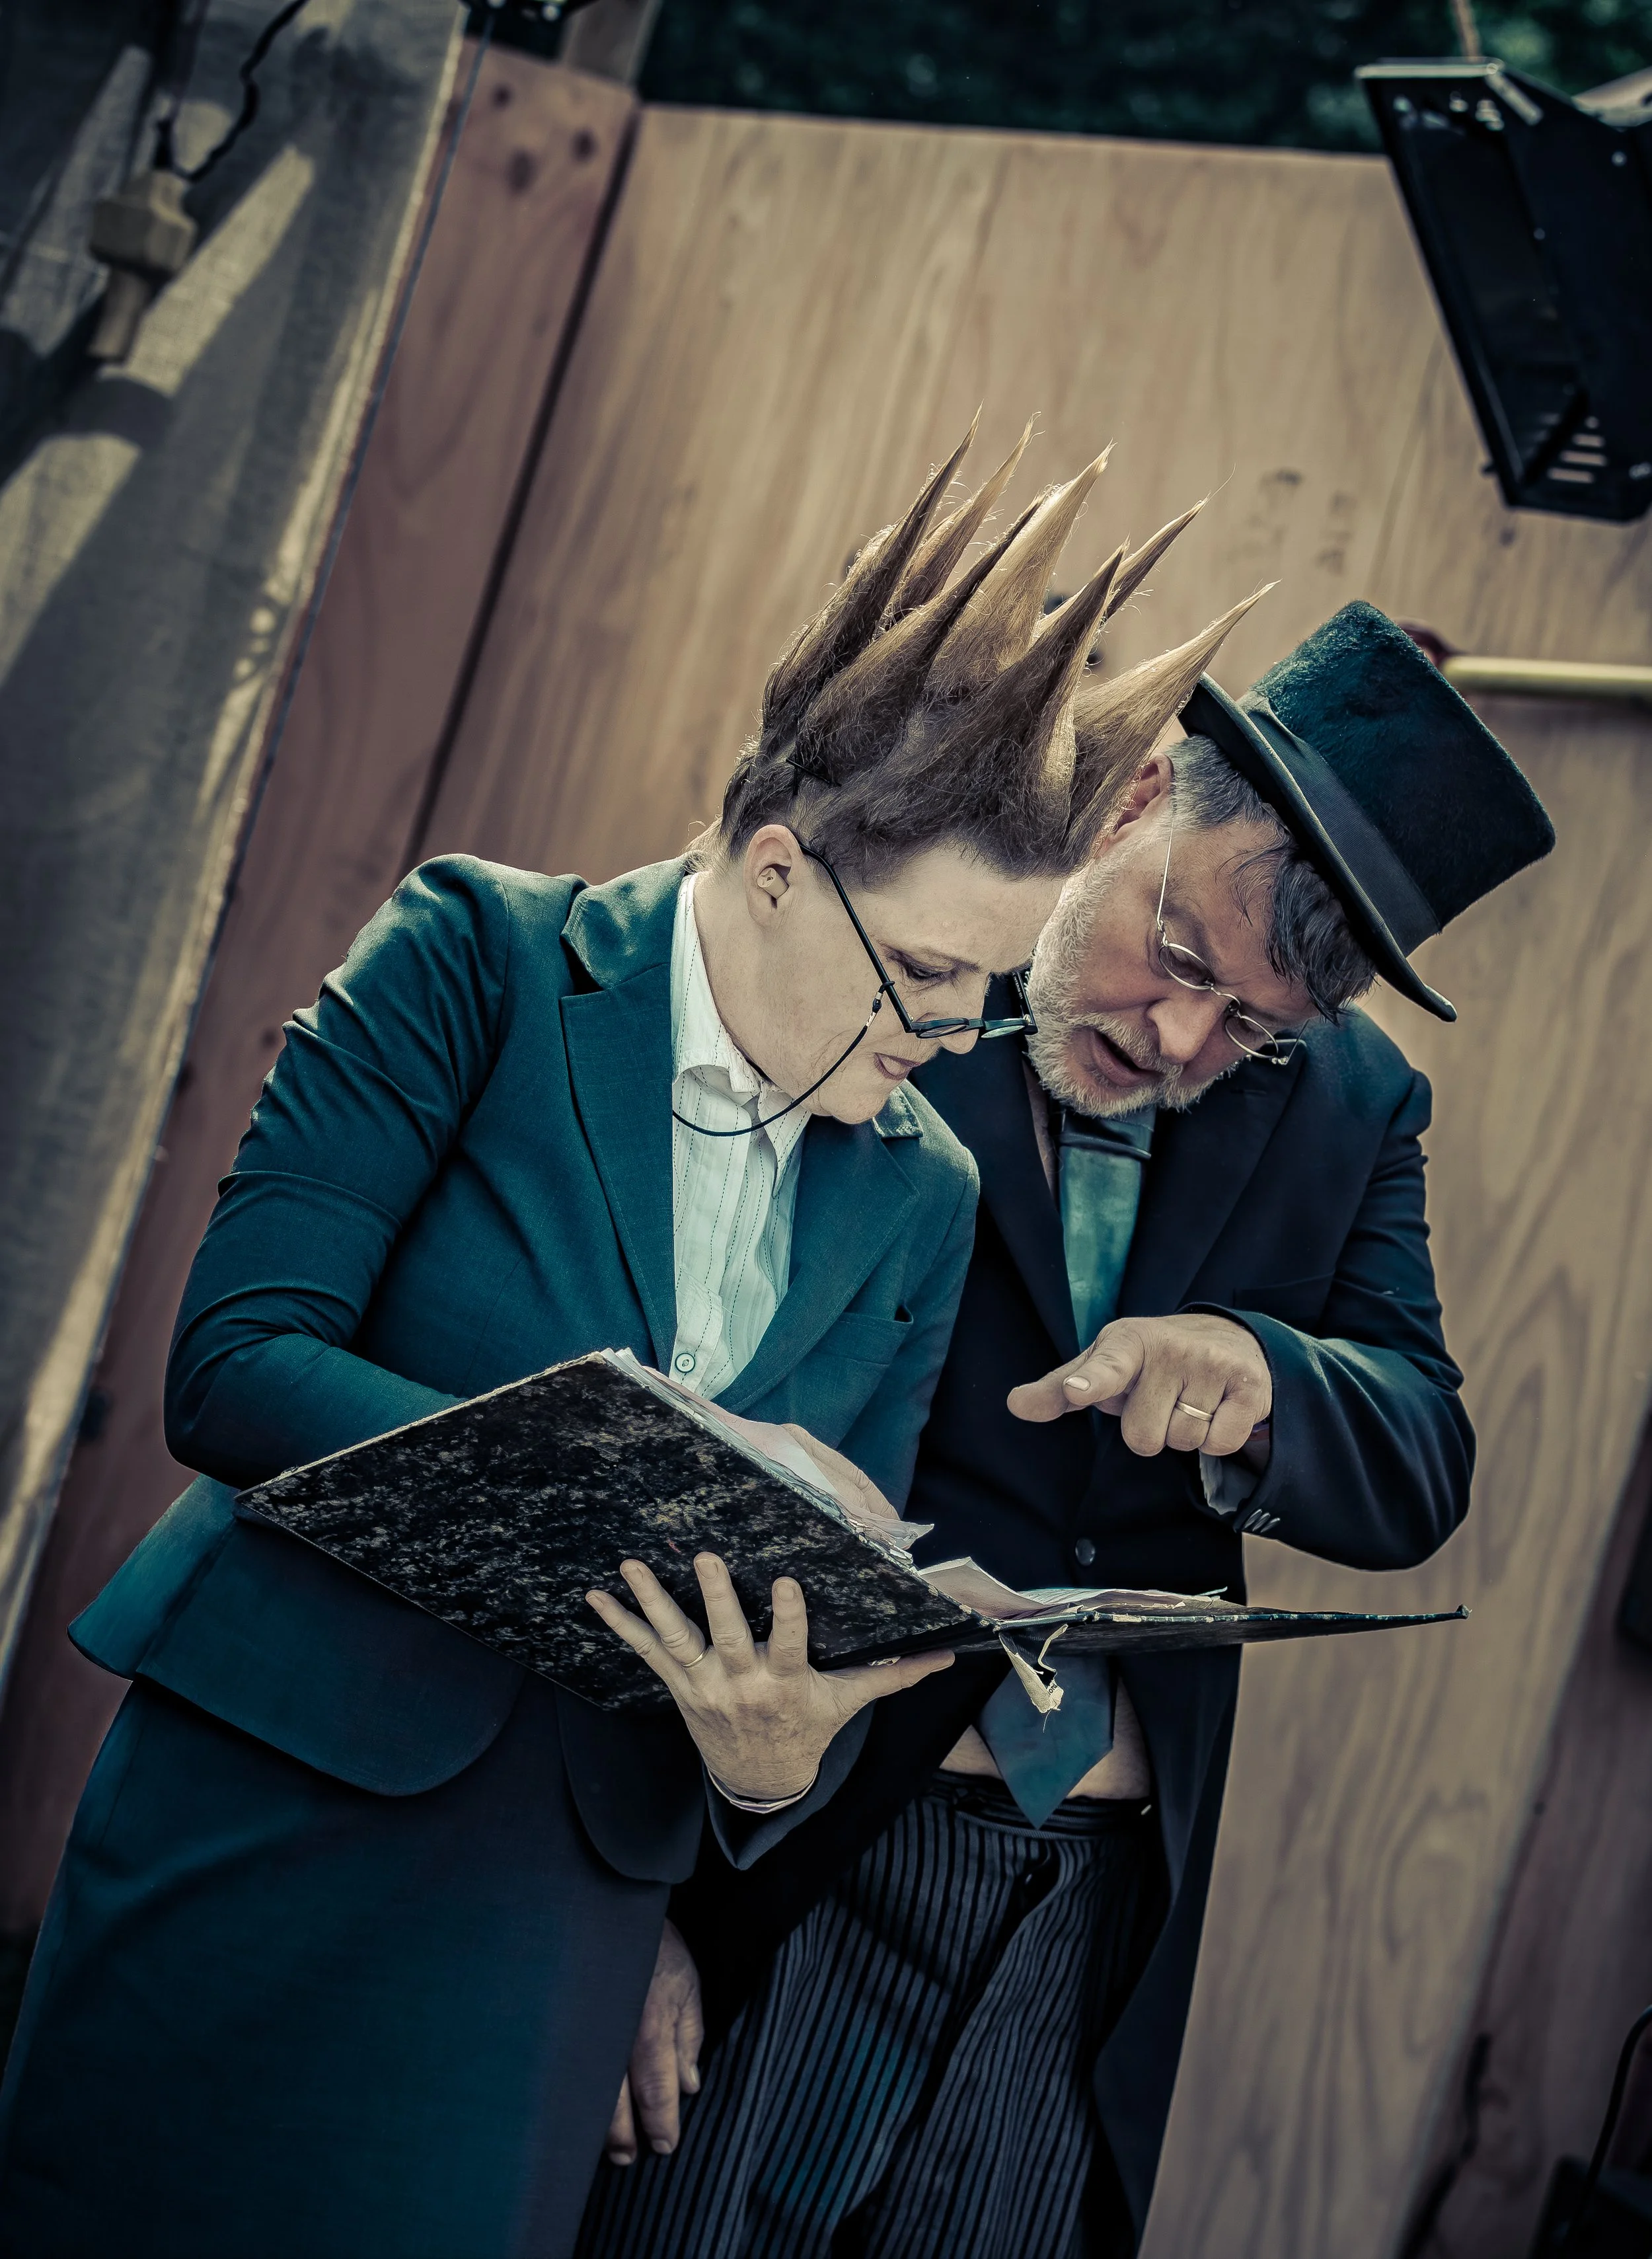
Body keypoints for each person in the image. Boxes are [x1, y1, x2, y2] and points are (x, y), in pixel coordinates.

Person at [0, 420, 1252, 2259]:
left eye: (987, 991)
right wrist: (671, 1449)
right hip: (274, 1807)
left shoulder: (921, 1193)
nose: (947, 1036)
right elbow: (239, 1364)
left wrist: (772, 1760)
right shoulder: (473, 957)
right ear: (775, 870)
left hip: (558, 1912)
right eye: (924, 975)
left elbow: (823, 1621)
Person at [576, 598, 1556, 2259]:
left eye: (1250, 1029)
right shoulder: (877, 967)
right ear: (1135, 797)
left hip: (1086, 1921)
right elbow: (660, 1429)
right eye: (1182, 959)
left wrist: (1265, 1376)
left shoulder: (1356, 1103)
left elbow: (1420, 1461)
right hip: (782, 1858)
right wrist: (625, 1914)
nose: (1180, 1042)